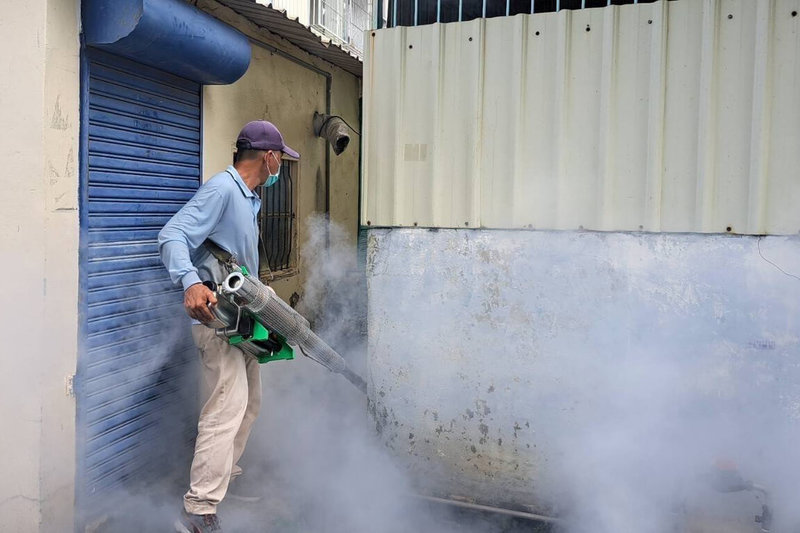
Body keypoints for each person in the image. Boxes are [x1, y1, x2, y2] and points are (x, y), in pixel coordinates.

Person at [158, 121, 300, 533]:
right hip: (218, 321)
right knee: (226, 407)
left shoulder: (249, 199)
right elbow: (172, 235)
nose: (280, 168)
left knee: (249, 404)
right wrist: (191, 283)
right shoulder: (223, 189)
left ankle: (221, 485)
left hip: (243, 320)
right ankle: (197, 510)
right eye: (280, 160)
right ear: (268, 157)